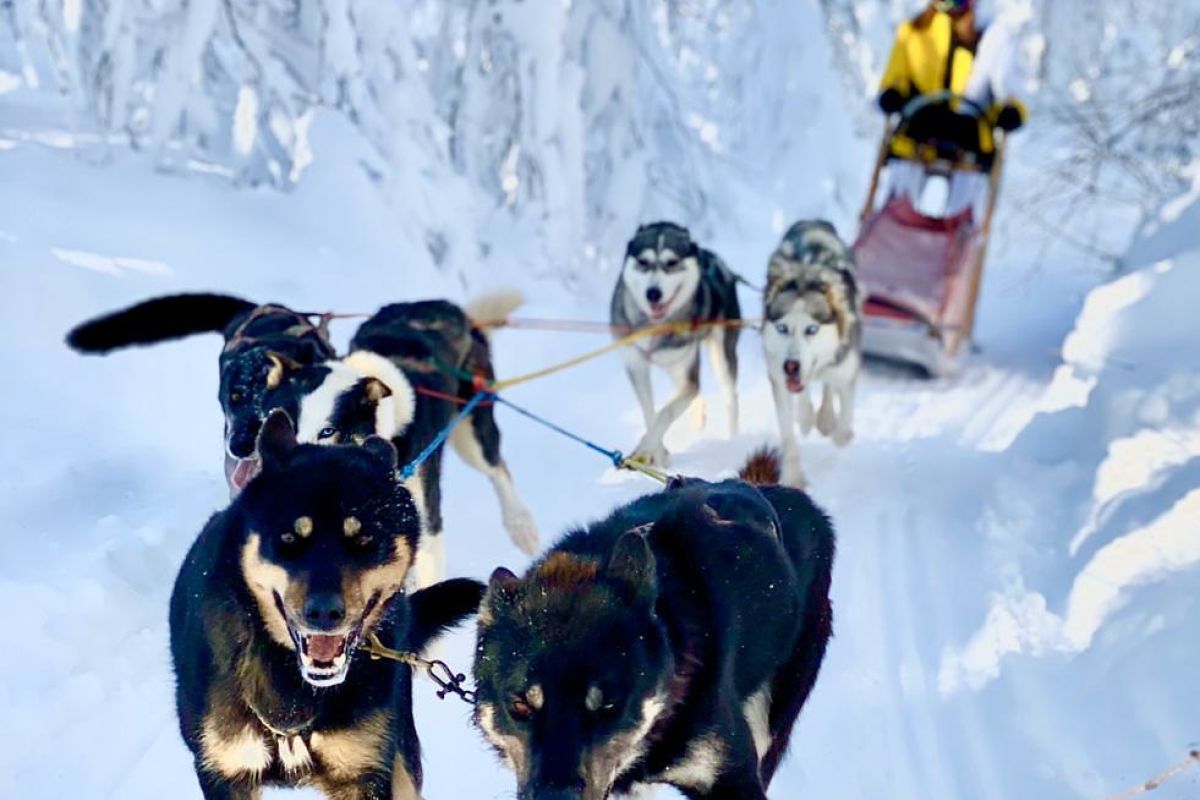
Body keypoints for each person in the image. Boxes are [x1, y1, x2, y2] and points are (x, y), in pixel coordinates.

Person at [876, 0, 1027, 218]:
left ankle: (963, 237)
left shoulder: (991, 37)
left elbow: (1008, 85)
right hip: (918, 130)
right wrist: (893, 93)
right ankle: (891, 229)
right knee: (897, 200)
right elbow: (896, 76)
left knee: (965, 211)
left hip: (970, 137)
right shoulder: (914, 31)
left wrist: (1012, 110)